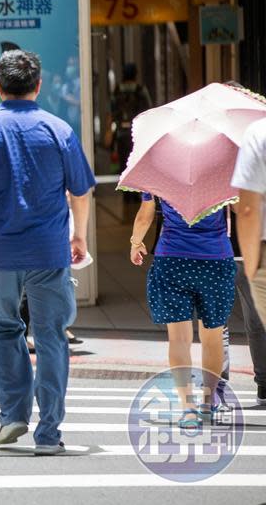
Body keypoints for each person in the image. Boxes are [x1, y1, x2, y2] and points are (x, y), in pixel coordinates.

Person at [0, 50, 95, 455]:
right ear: (38, 85)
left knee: (3, 330)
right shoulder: (59, 130)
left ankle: (12, 415)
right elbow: (81, 192)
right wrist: (79, 237)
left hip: (0, 254)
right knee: (51, 336)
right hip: (49, 251)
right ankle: (49, 433)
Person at [130, 192, 235, 426]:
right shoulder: (222, 172)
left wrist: (136, 243)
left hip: (172, 259)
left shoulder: (160, 171)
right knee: (213, 336)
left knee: (178, 339)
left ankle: (188, 408)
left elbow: (145, 217)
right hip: (216, 259)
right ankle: (208, 403)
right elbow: (242, 208)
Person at [230, 116, 266, 405]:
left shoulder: (257, 135)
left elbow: (246, 210)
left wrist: (253, 265)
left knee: (255, 322)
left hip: (255, 250)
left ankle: (265, 383)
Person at [106, 63, 152, 183]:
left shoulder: (117, 91)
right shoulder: (141, 90)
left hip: (121, 132)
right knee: (137, 161)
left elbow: (111, 111)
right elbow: (148, 110)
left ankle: (126, 190)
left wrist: (109, 130)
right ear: (135, 75)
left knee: (123, 162)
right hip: (137, 132)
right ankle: (136, 190)